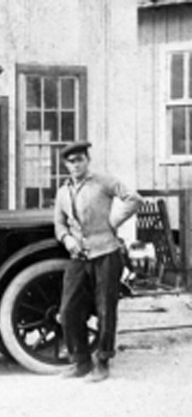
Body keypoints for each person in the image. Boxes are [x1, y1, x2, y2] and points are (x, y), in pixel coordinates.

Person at [54, 141, 143, 382]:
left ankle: (102, 362)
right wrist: (67, 239)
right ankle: (80, 361)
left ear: (87, 160)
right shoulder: (63, 191)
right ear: (65, 165)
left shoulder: (103, 181)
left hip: (106, 253)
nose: (75, 165)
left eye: (80, 159)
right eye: (70, 161)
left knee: (105, 308)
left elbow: (133, 199)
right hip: (78, 255)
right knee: (68, 309)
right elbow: (59, 223)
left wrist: (113, 222)